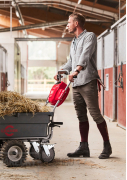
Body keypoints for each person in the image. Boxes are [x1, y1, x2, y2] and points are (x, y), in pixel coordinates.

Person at [54, 13, 112, 159]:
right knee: (81, 116)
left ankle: (107, 146)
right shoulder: (73, 42)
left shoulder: (90, 36)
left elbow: (85, 56)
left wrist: (76, 71)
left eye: (69, 22)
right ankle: (84, 147)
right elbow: (70, 62)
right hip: (76, 84)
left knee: (95, 114)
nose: (67, 25)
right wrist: (60, 72)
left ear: (76, 23)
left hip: (87, 81)